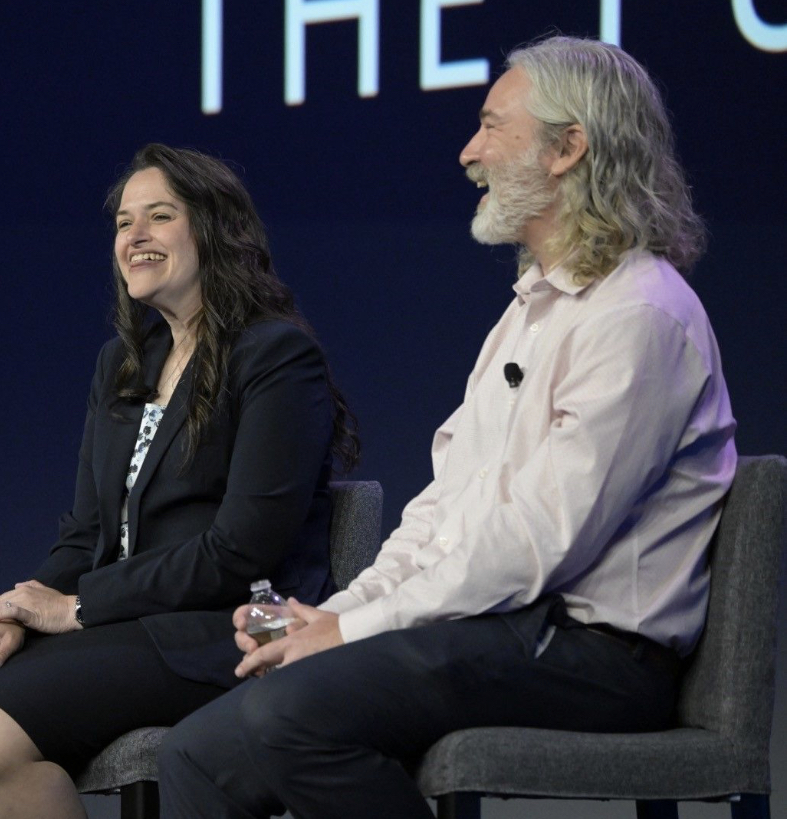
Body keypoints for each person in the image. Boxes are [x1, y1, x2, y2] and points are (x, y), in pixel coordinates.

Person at [158, 36, 737, 819]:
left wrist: (355, 628)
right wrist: (342, 614)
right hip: (498, 627)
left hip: (592, 654)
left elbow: (538, 539)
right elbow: (446, 508)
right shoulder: (526, 314)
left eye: (493, 126)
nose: (470, 151)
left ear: (569, 148)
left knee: (286, 717)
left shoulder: (640, 316)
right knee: (195, 751)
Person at [0, 143, 359, 818]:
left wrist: (74, 609)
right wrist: (22, 609)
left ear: (214, 230)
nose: (133, 236)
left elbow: (241, 550)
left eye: (158, 217)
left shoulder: (276, 355)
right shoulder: (124, 364)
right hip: (125, 626)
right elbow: (87, 534)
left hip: (228, 629)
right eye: (123, 222)